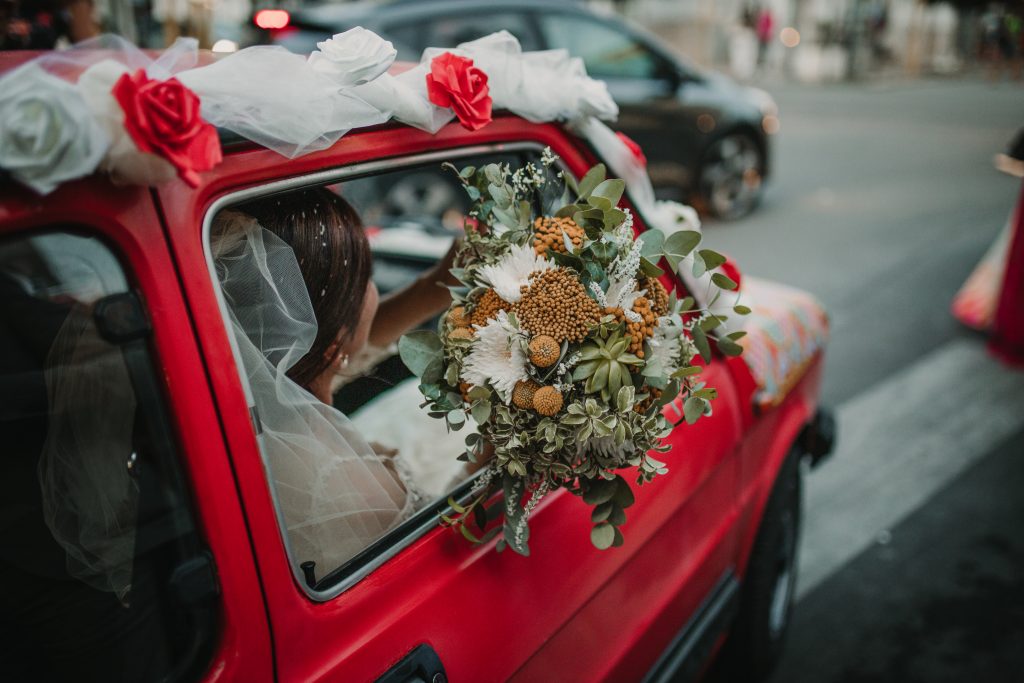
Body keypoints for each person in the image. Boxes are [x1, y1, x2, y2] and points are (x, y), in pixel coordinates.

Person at [212, 187, 466, 584]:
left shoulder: (255, 397)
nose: (373, 292)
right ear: (327, 340)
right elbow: (449, 552)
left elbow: (348, 347)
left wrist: (438, 282)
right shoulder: (349, 491)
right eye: (367, 279)